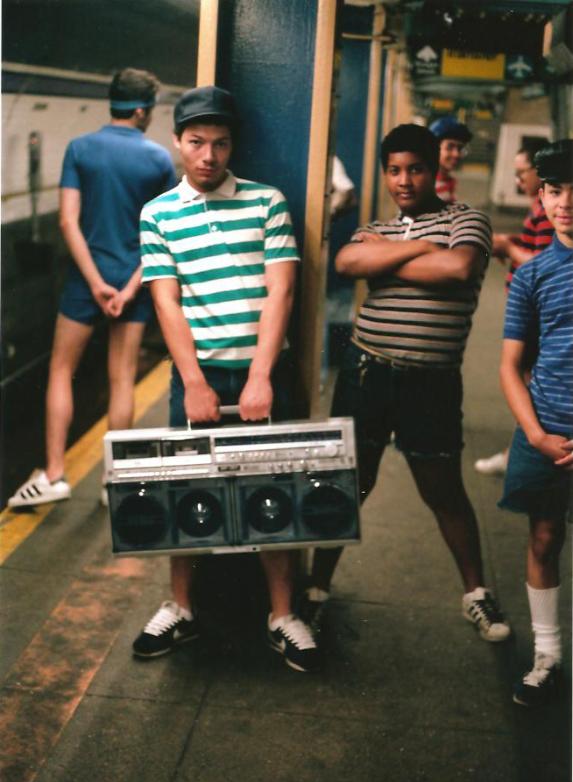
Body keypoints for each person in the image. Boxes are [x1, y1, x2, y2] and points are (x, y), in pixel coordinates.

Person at [299, 123, 510, 645]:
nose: (404, 181)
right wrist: (421, 252)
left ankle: (476, 595)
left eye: (414, 169)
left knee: (443, 489)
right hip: (366, 371)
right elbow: (348, 262)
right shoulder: (374, 225)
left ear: (434, 168)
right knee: (349, 482)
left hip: (431, 381)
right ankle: (317, 590)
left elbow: (459, 268)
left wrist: (390, 255)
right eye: (393, 170)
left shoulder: (468, 220)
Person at [133, 85, 319, 673]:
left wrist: (261, 375)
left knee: (274, 491)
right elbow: (168, 304)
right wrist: (193, 381)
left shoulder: (267, 201)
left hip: (263, 367)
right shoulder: (157, 214)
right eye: (196, 143)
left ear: (232, 144)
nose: (208, 155)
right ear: (177, 144)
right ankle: (181, 607)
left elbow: (280, 290)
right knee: (187, 489)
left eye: (219, 143)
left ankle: (283, 615)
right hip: (200, 370)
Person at [8, 68, 177, 509]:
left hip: (86, 283)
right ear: (142, 110)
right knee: (122, 378)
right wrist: (127, 286)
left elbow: (67, 220)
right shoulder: (159, 159)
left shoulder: (79, 148)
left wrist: (97, 283)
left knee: (62, 370)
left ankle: (54, 475)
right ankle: (113, 479)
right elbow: (162, 232)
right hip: (133, 282)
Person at [498, 139, 573, 707]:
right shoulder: (533, 276)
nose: (565, 201)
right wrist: (537, 434)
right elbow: (510, 366)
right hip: (547, 430)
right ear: (541, 195)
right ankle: (547, 654)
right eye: (554, 189)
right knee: (544, 537)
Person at [475, 138, 554, 476]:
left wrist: (508, 247)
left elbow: (547, 265)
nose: (519, 180)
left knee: (530, 386)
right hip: (529, 309)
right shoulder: (538, 209)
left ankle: (522, 453)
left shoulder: (549, 212)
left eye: (524, 173)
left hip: (539, 313)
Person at [429, 116, 472, 204]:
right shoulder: (426, 187)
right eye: (450, 147)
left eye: (460, 148)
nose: (456, 154)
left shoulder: (445, 182)